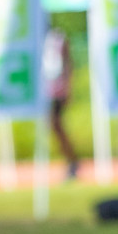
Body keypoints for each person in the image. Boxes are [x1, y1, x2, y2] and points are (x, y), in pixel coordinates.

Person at [43, 27, 80, 180]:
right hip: (44, 89)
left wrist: (68, 87)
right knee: (53, 125)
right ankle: (70, 161)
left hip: (56, 89)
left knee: (55, 124)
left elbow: (68, 63)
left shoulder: (58, 38)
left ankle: (72, 161)